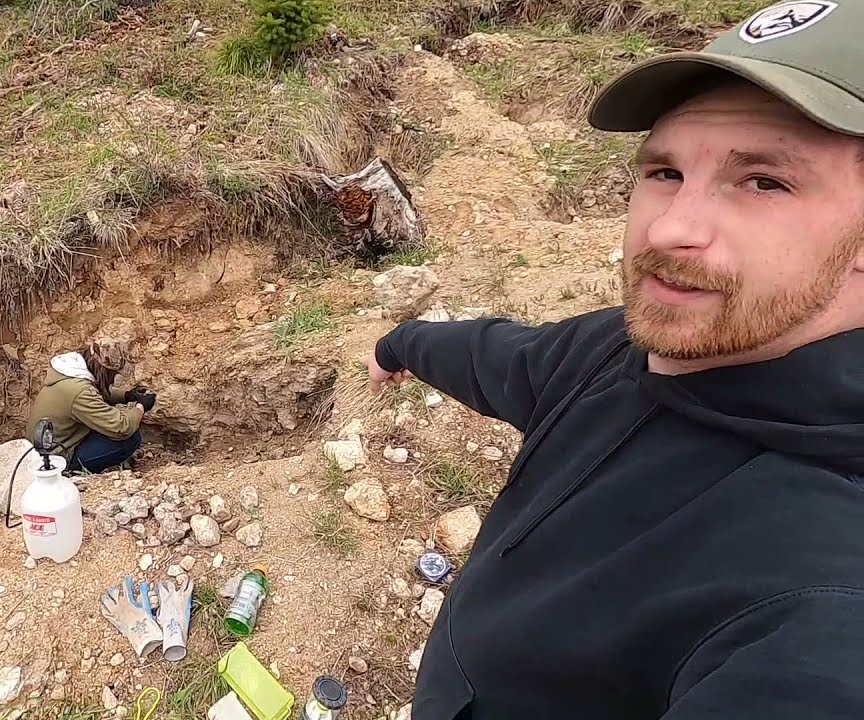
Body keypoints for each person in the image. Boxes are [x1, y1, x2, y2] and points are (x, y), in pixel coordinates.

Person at [364, 5, 864, 718]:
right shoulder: (619, 351)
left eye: (763, 182)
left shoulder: (825, 602)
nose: (669, 228)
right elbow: (505, 357)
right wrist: (399, 346)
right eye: (665, 170)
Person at [25, 341, 156, 473]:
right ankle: (73, 470)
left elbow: (96, 395)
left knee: (102, 425)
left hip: (42, 448)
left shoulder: (69, 375)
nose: (113, 379)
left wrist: (128, 395)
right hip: (55, 458)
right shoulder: (80, 392)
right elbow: (121, 427)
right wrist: (141, 407)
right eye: (114, 375)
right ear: (105, 371)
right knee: (130, 439)